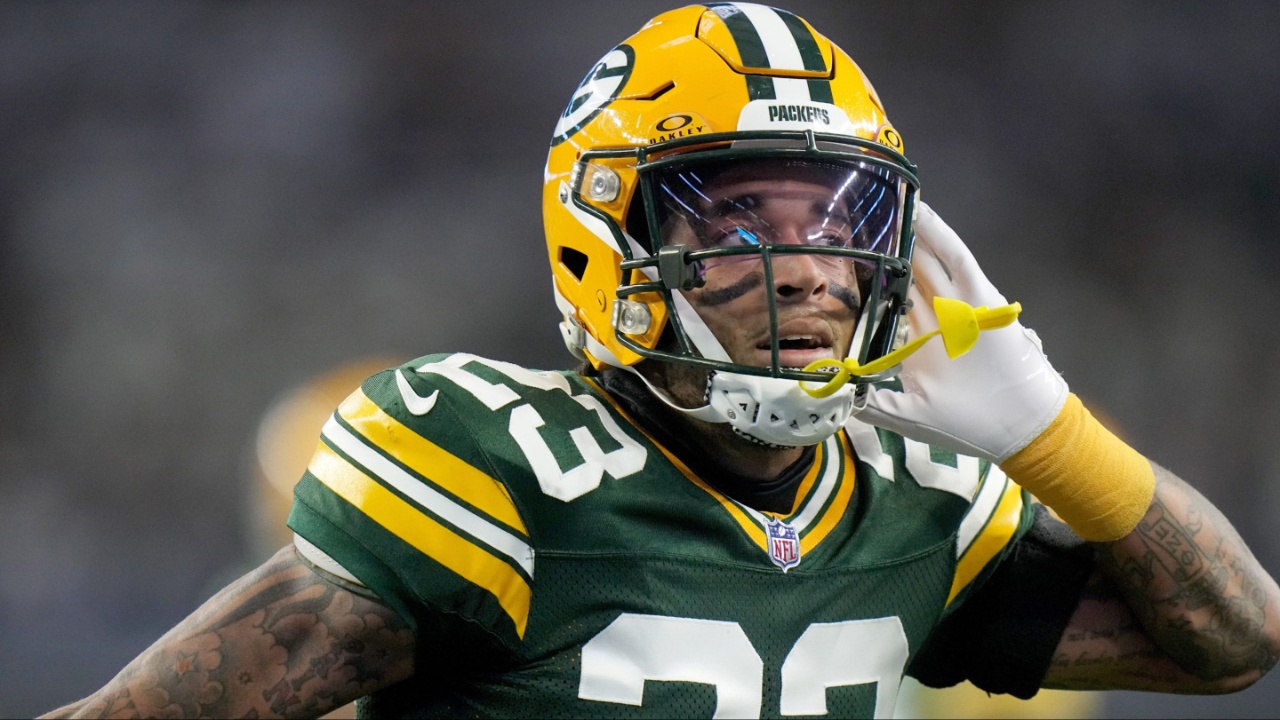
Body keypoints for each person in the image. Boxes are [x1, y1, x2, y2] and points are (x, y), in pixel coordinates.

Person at [44, 4, 1280, 718]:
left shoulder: (914, 511)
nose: (803, 268)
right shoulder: (502, 472)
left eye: (838, 222)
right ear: (603, 246)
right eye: (736, 222)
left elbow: (1232, 642)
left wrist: (1048, 433)